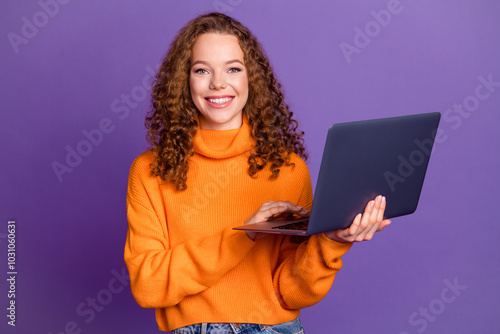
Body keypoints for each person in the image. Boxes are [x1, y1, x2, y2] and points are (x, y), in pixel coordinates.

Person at [124, 12, 391, 334]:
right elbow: (147, 285)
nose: (218, 83)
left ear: (252, 78)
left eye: (233, 69)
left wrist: (331, 241)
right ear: (184, 81)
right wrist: (245, 233)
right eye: (202, 70)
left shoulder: (288, 168)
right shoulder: (151, 171)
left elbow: (292, 292)